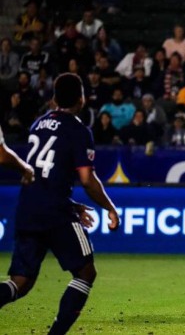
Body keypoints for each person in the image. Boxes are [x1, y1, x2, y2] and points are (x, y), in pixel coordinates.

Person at [0, 73, 120, 334]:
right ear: (82, 99)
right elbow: (87, 180)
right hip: (55, 212)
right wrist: (110, 207)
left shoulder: (38, 124)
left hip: (28, 208)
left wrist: (71, 203)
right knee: (85, 273)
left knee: (20, 282)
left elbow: (44, 175)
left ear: (54, 98)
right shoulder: (78, 131)